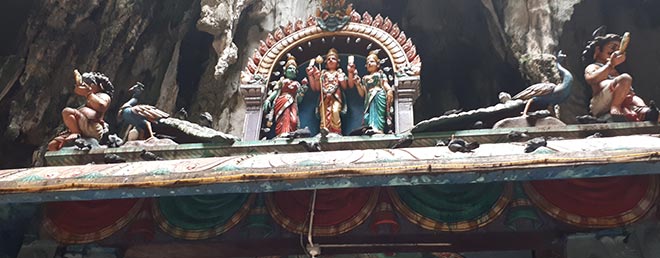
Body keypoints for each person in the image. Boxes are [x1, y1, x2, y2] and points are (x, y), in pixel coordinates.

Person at [582, 32, 651, 121]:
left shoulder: (615, 72)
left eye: (618, 49)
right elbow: (591, 79)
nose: (615, 51)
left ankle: (643, 111)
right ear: (598, 50)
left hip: (624, 102)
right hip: (601, 102)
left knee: (647, 110)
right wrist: (610, 65)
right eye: (612, 47)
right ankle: (615, 107)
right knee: (625, 78)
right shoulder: (593, 67)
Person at [48, 70, 113, 151]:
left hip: (91, 126)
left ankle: (76, 133)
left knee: (67, 111)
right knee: (53, 145)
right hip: (81, 126)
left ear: (100, 86)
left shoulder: (103, 95)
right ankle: (74, 132)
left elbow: (101, 106)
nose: (87, 85)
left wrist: (88, 93)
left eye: (90, 83)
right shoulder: (89, 100)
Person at [347, 50, 394, 134]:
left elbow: (385, 84)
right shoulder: (365, 78)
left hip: (379, 95)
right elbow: (362, 93)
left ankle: (379, 129)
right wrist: (358, 84)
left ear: (378, 64)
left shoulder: (380, 74)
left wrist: (389, 91)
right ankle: (371, 127)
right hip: (369, 98)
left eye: (372, 61)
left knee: (379, 114)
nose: (369, 63)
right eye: (367, 62)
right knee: (368, 116)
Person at [306, 48, 348, 134]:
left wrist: (342, 79)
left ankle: (336, 131)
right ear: (325, 63)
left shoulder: (339, 73)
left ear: (337, 63)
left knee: (335, 111)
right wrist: (315, 78)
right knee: (323, 114)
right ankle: (324, 130)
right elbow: (317, 88)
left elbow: (345, 86)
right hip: (324, 97)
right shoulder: (323, 74)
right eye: (328, 59)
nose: (330, 60)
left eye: (333, 59)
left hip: (336, 97)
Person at [263, 56, 307, 137]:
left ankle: (291, 133)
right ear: (285, 71)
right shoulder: (282, 81)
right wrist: (268, 99)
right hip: (282, 101)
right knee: (284, 117)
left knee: (293, 121)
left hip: (292, 103)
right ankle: (282, 134)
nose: (292, 70)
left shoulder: (297, 84)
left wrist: (302, 92)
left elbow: (299, 100)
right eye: (290, 68)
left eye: (294, 69)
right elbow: (276, 92)